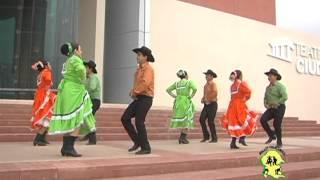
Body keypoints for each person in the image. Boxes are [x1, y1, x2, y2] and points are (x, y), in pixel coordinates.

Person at [49, 42, 96, 157]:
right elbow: (81, 70)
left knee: (71, 119)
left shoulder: (68, 60)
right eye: (80, 49)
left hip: (68, 90)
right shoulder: (75, 59)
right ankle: (69, 148)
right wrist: (83, 79)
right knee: (77, 119)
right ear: (75, 51)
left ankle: (66, 148)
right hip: (74, 91)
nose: (81, 51)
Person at [121, 46, 155, 155]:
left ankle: (146, 147)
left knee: (139, 122)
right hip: (139, 98)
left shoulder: (149, 69)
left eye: (139, 55)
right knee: (125, 118)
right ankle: (137, 142)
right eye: (137, 55)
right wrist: (133, 91)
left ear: (145, 57)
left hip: (146, 98)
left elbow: (145, 84)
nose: (137, 57)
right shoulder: (139, 69)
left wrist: (135, 91)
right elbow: (138, 83)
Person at [220, 70, 257, 149]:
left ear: (236, 75)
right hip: (237, 106)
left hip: (236, 105)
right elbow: (248, 91)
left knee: (238, 122)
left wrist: (244, 99)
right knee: (239, 122)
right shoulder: (237, 84)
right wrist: (244, 99)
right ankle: (240, 139)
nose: (231, 76)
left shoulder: (237, 84)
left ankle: (238, 140)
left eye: (233, 74)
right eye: (231, 74)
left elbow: (247, 92)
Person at [166, 70, 197, 144]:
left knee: (182, 120)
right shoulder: (189, 82)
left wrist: (175, 96)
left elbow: (168, 90)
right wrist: (191, 96)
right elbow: (195, 88)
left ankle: (182, 138)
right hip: (185, 101)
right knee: (187, 119)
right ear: (185, 75)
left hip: (178, 102)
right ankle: (183, 138)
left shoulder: (176, 83)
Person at [30, 58, 56, 146]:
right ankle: (38, 139)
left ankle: (42, 138)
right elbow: (49, 82)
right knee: (47, 116)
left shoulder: (40, 74)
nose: (50, 65)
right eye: (48, 64)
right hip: (45, 95)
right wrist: (50, 70)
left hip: (40, 95)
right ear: (45, 66)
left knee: (45, 117)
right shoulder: (47, 72)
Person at [260, 68, 288, 148]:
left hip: (280, 107)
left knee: (276, 124)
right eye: (268, 75)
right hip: (271, 108)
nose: (269, 77)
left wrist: (278, 103)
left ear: (275, 77)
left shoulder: (280, 86)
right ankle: (272, 135)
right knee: (263, 120)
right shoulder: (267, 88)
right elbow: (265, 98)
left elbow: (285, 97)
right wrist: (266, 104)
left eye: (271, 75)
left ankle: (279, 142)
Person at [80, 60, 101, 145]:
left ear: (90, 68)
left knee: (88, 118)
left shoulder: (93, 77)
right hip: (90, 100)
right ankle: (88, 135)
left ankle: (92, 139)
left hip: (94, 100)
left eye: (86, 67)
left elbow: (92, 87)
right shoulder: (87, 77)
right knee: (87, 117)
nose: (85, 69)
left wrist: (83, 91)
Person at [199, 70, 218, 143]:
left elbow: (215, 93)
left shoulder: (213, 84)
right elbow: (204, 95)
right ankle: (206, 136)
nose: (206, 76)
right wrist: (203, 99)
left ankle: (214, 138)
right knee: (201, 119)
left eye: (208, 75)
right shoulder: (205, 85)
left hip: (213, 104)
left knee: (210, 121)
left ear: (212, 77)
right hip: (206, 105)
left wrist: (208, 99)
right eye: (206, 75)